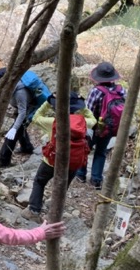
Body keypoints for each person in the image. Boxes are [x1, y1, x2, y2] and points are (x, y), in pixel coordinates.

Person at [21, 80, 96, 222]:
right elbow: (94, 119)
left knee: (39, 181)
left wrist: (49, 102)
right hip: (73, 162)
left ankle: (33, 210)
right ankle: (54, 214)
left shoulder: (53, 122)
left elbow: (35, 118)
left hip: (51, 161)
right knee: (62, 187)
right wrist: (83, 106)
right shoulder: (84, 123)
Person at [75, 62, 127, 190]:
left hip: (94, 128)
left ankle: (81, 174)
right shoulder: (121, 91)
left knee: (84, 149)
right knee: (101, 152)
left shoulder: (96, 92)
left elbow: (89, 111)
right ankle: (96, 180)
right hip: (110, 128)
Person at [0, 68, 46, 167]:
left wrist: (14, 128)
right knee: (20, 129)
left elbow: (22, 113)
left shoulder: (20, 92)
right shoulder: (11, 88)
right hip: (23, 108)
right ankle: (26, 147)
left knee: (11, 137)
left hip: (30, 110)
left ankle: (4, 162)